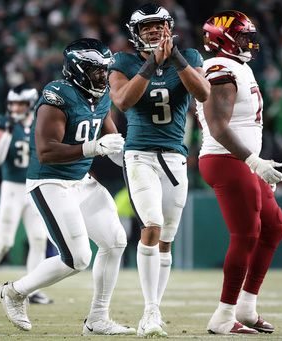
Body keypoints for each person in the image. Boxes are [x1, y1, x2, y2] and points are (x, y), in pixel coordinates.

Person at [0, 38, 135, 336]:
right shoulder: (57, 95)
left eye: (105, 70)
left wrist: (129, 155)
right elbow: (46, 150)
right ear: (79, 70)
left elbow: (110, 136)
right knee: (77, 258)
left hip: (80, 180)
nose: (103, 76)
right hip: (50, 181)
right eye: (97, 70)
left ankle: (98, 318)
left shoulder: (101, 97)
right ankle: (15, 292)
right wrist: (94, 147)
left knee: (115, 241)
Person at [108, 3, 210, 337]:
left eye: (158, 26)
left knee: (166, 240)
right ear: (135, 34)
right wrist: (153, 62)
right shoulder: (124, 61)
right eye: (146, 28)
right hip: (139, 155)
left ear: (169, 27)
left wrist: (176, 59)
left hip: (175, 158)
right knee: (150, 227)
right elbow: (123, 101)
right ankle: (149, 312)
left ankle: (156, 309)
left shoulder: (190, 56)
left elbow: (203, 93)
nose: (153, 32)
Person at [197, 11, 282, 334]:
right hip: (226, 159)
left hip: (242, 160)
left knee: (274, 227)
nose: (250, 41)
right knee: (246, 234)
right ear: (224, 37)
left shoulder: (239, 66)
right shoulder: (219, 68)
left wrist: (254, 161)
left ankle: (247, 307)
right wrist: (254, 161)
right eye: (244, 35)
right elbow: (219, 127)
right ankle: (223, 315)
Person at [0, 84, 52, 305]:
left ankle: (32, 288)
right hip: (11, 189)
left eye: (20, 103)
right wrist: (7, 133)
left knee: (38, 239)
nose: (16, 108)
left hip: (34, 187)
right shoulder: (3, 124)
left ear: (30, 104)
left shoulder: (40, 123)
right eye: (13, 103)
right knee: (5, 242)